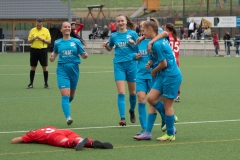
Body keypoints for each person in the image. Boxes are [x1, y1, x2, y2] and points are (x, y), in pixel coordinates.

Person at [134, 21, 182, 141]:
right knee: (151, 98)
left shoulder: (156, 44)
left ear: (150, 29)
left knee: (167, 105)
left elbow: (164, 63)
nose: (142, 33)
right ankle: (169, 119)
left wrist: (154, 71)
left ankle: (170, 134)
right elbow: (162, 35)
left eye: (143, 30)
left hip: (170, 75)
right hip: (163, 75)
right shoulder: (155, 40)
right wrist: (150, 62)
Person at [102, 13, 138, 126]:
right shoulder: (113, 36)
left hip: (131, 65)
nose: (121, 23)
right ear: (116, 23)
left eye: (122, 21)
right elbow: (110, 48)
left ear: (126, 21)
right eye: (118, 21)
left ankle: (131, 110)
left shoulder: (133, 34)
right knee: (121, 92)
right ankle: (122, 118)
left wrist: (133, 45)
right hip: (119, 65)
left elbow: (139, 48)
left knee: (133, 93)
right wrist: (106, 46)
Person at [49, 21, 88, 126]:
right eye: (65, 27)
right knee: (65, 95)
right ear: (61, 30)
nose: (67, 28)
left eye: (68, 27)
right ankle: (68, 117)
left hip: (74, 69)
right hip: (62, 70)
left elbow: (82, 54)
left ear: (71, 29)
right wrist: (52, 57)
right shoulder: (58, 42)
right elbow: (54, 53)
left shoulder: (76, 42)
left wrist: (85, 55)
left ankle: (65, 105)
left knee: (71, 95)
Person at [11, 126, 113, 151]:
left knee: (65, 142)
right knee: (77, 138)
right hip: (64, 131)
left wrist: (27, 137)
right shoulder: (47, 127)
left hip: (53, 136)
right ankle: (91, 143)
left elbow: (14, 141)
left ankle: (77, 142)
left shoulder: (32, 134)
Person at [130, 20, 152, 135]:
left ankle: (167, 120)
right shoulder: (138, 42)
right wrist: (135, 56)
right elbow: (132, 53)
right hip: (141, 75)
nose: (142, 29)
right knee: (141, 99)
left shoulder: (155, 41)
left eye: (144, 27)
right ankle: (144, 128)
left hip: (153, 75)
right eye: (141, 27)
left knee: (155, 102)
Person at [27, 18, 51, 89]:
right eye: (37, 25)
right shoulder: (32, 30)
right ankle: (31, 83)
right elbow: (29, 41)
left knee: (44, 67)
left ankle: (46, 84)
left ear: (42, 24)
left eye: (40, 25)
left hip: (43, 50)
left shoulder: (46, 30)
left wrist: (42, 39)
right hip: (34, 50)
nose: (38, 26)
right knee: (33, 67)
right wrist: (33, 38)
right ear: (36, 23)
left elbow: (49, 41)